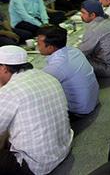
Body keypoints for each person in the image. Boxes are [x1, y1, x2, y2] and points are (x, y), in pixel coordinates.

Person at [0, 45, 73, 174]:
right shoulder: (46, 75)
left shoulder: (9, 92)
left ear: (4, 68)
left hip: (37, 165)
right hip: (63, 149)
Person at [37, 25, 99, 116]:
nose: (37, 47)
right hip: (93, 100)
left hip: (78, 110)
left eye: (39, 44)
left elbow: (38, 87)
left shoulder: (56, 67)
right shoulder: (74, 51)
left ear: (50, 47)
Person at [79, 0, 110, 78]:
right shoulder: (109, 18)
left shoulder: (94, 29)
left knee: (77, 60)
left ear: (92, 15)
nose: (81, 15)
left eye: (83, 13)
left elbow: (81, 52)